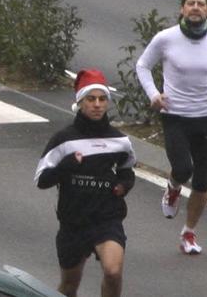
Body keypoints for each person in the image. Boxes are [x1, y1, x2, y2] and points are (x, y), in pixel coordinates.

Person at [135, 0, 207, 255]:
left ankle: (189, 232)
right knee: (182, 169)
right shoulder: (165, 38)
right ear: (182, 8)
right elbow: (143, 66)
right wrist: (153, 94)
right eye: (191, 3)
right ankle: (173, 187)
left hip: (205, 116)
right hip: (175, 115)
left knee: (203, 181)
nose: (196, 7)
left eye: (201, 4)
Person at [35, 69, 135, 297]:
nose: (97, 105)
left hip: (106, 218)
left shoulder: (119, 140)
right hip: (74, 221)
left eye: (102, 99)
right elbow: (42, 180)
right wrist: (68, 164)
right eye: (91, 99)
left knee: (113, 271)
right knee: (69, 286)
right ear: (80, 103)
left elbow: (127, 171)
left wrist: (124, 185)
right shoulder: (64, 140)